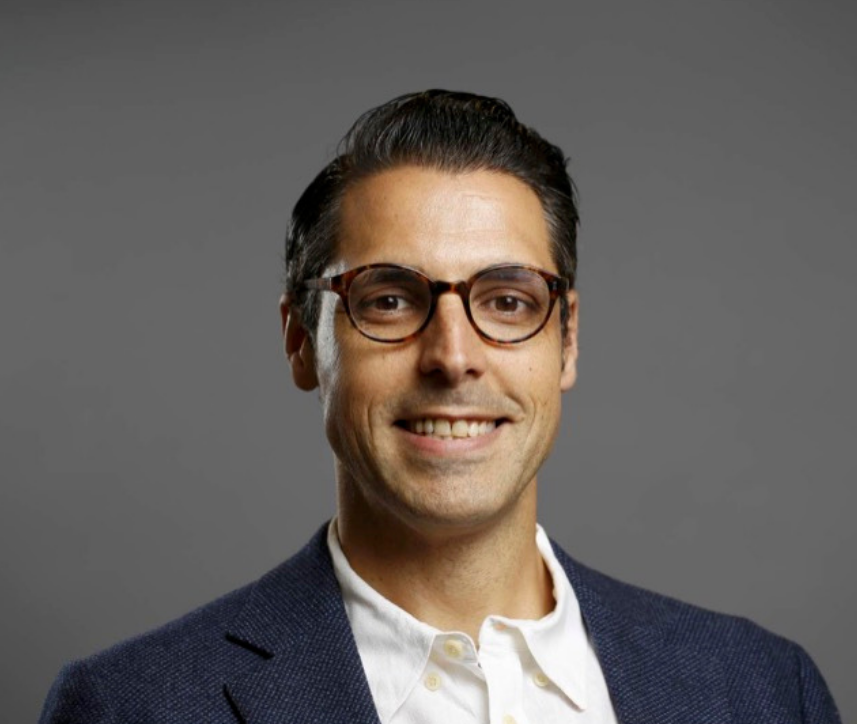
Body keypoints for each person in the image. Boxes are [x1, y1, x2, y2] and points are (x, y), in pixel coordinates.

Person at [40, 90, 840, 724]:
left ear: (565, 341)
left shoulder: (764, 691)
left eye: (506, 300)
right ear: (299, 342)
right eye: (388, 300)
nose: (453, 356)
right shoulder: (132, 707)